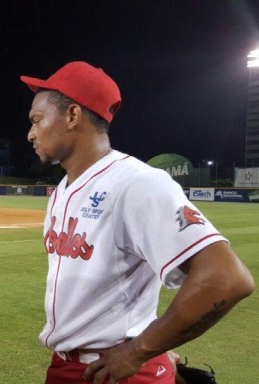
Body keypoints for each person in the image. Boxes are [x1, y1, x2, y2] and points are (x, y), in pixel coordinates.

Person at [20, 61, 255, 384]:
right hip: (69, 366)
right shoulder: (63, 189)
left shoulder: (137, 183)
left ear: (72, 115)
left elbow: (227, 279)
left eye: (37, 120)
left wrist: (141, 350)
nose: (31, 133)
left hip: (118, 372)